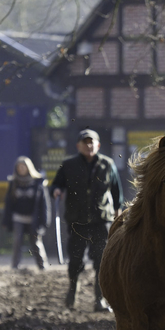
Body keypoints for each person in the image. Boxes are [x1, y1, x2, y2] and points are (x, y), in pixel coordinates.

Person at [50, 129, 124, 312]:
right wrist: (56, 190)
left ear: (98, 145)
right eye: (85, 142)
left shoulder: (108, 164)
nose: (89, 146)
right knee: (75, 260)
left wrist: (118, 213)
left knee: (101, 260)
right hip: (77, 220)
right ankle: (72, 292)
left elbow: (116, 191)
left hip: (101, 220)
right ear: (79, 146)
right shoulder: (68, 165)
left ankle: (100, 299)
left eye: (92, 142)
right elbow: (56, 183)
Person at [2, 156, 51, 270]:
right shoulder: (13, 183)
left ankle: (42, 266)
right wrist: (6, 220)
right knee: (17, 242)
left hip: (33, 219)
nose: (21, 169)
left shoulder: (38, 183)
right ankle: (15, 266)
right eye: (19, 167)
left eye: (23, 166)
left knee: (36, 243)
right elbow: (8, 203)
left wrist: (44, 220)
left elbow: (44, 204)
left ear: (29, 168)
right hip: (18, 218)